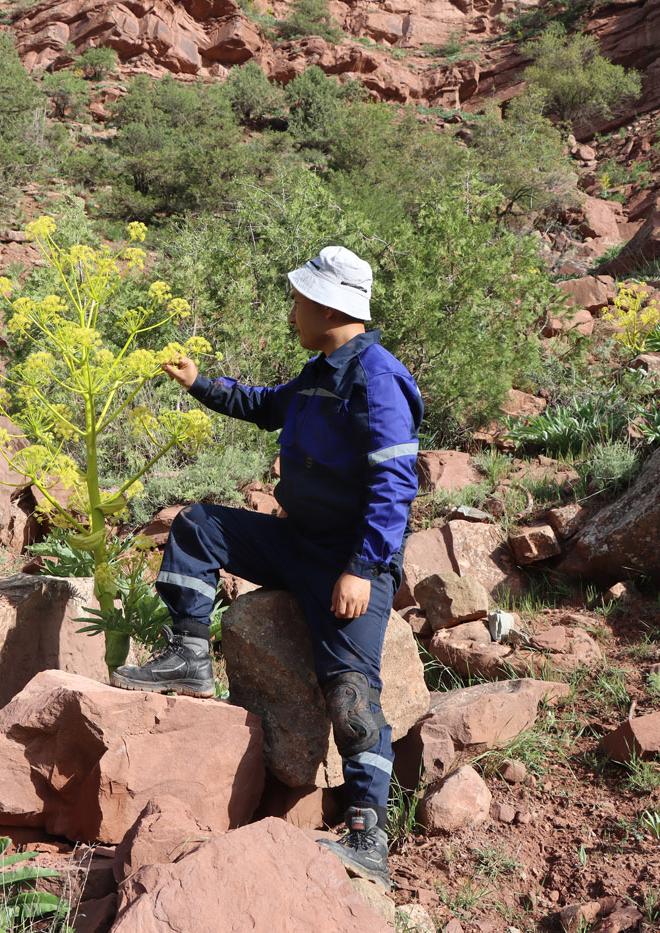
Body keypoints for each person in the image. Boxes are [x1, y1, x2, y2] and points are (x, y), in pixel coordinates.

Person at [110, 245, 422, 888]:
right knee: (199, 526)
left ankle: (368, 833)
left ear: (331, 305)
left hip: (347, 563)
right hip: (297, 544)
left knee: (350, 696)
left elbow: (395, 485)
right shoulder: (319, 371)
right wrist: (200, 383)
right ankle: (191, 657)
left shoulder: (377, 378)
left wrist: (362, 569)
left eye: (300, 299)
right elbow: (261, 405)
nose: (294, 308)